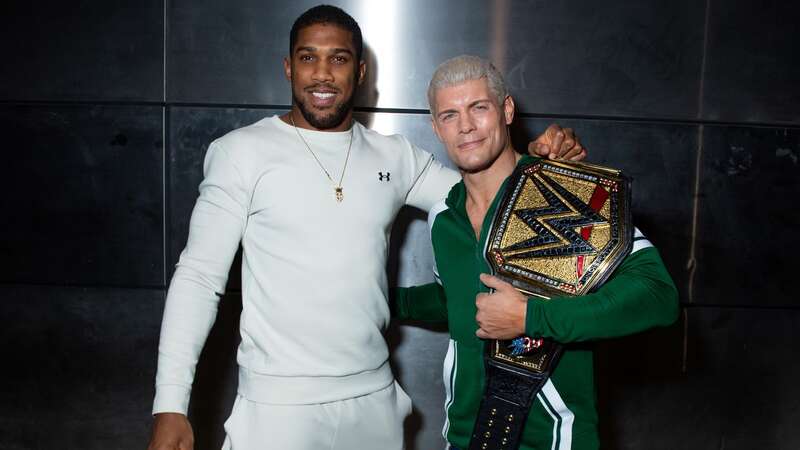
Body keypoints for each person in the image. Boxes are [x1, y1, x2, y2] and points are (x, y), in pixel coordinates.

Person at [147, 6, 587, 450]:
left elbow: (491, 190)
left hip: (374, 404)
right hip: (278, 406)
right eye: (307, 58)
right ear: (288, 67)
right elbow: (199, 278)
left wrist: (545, 167)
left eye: (337, 59)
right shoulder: (240, 153)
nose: (322, 74)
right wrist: (170, 404)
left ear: (359, 72)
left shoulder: (395, 157)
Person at [392, 55, 679, 450]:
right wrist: (383, 300)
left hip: (556, 441)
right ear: (436, 128)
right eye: (449, 115)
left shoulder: (565, 193)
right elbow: (458, 301)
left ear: (506, 110)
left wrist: (532, 317)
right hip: (464, 437)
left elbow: (657, 296)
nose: (466, 126)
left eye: (479, 107)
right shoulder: (444, 216)